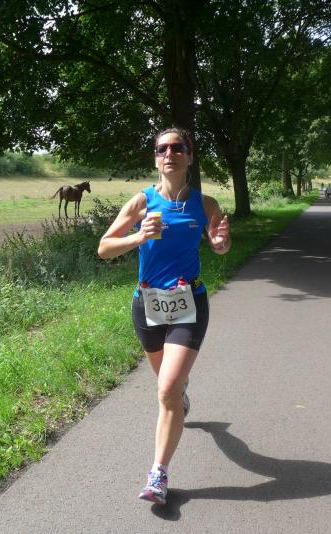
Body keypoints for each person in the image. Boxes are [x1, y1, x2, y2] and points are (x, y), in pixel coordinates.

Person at [98, 127, 231, 505]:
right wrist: (138, 237)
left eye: (177, 147)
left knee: (167, 389)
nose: (169, 153)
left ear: (189, 155)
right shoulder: (142, 201)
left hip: (189, 303)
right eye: (162, 148)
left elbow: (220, 245)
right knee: (169, 387)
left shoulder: (205, 204)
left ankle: (158, 474)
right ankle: (180, 394)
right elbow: (104, 248)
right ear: (156, 157)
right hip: (147, 305)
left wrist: (220, 244)